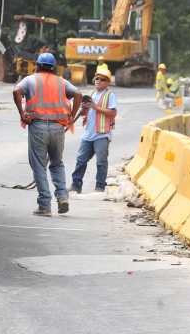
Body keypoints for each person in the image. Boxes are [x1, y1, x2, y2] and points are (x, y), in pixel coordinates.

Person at [12, 52, 82, 216]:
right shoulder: (62, 82)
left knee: (39, 166)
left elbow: (16, 91)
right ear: (54, 67)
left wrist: (22, 114)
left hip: (38, 126)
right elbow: (78, 94)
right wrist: (71, 115)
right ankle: (63, 197)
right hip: (58, 128)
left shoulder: (30, 79)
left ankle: (45, 205)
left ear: (37, 65)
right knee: (57, 164)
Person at [70, 64, 118, 193]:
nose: (98, 81)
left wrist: (95, 107)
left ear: (107, 82)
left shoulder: (110, 95)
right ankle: (76, 185)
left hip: (102, 134)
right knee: (81, 160)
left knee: (101, 162)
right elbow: (88, 113)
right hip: (88, 134)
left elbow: (113, 113)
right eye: (97, 78)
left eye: (102, 79)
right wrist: (85, 108)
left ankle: (100, 187)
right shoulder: (92, 94)